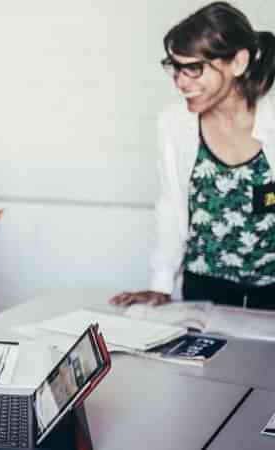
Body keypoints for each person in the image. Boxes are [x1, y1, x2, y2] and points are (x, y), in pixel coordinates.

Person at [112, 2, 275, 309]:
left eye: (194, 68)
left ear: (238, 62)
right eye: (175, 67)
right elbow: (171, 205)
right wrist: (160, 285)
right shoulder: (173, 123)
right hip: (203, 289)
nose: (180, 81)